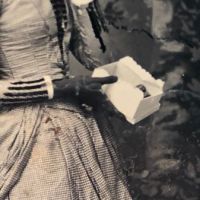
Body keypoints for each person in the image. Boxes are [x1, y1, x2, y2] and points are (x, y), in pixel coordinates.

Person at [0, 0, 132, 199]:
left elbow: (103, 62)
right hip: (23, 130)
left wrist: (84, 6)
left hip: (76, 122)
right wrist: (55, 87)